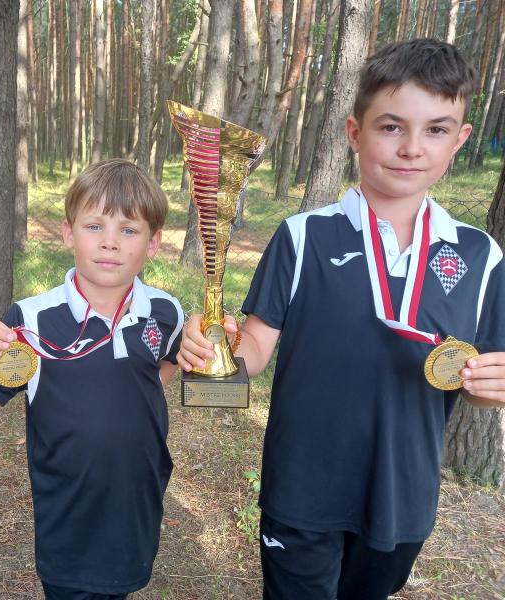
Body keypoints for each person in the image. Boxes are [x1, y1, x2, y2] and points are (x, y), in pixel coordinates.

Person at [177, 38, 505, 600]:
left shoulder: (480, 256)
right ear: (355, 132)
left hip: (403, 495)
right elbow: (253, 349)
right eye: (391, 127)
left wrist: (490, 389)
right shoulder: (303, 237)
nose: (411, 148)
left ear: (460, 139)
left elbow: (483, 381)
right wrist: (214, 345)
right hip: (302, 489)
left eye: (436, 129)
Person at [0, 158, 184, 600]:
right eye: (94, 226)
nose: (110, 242)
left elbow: (163, 367)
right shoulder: (32, 319)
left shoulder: (165, 311)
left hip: (137, 500)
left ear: (153, 243)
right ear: (68, 233)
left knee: (122, 587)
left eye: (129, 230)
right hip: (68, 515)